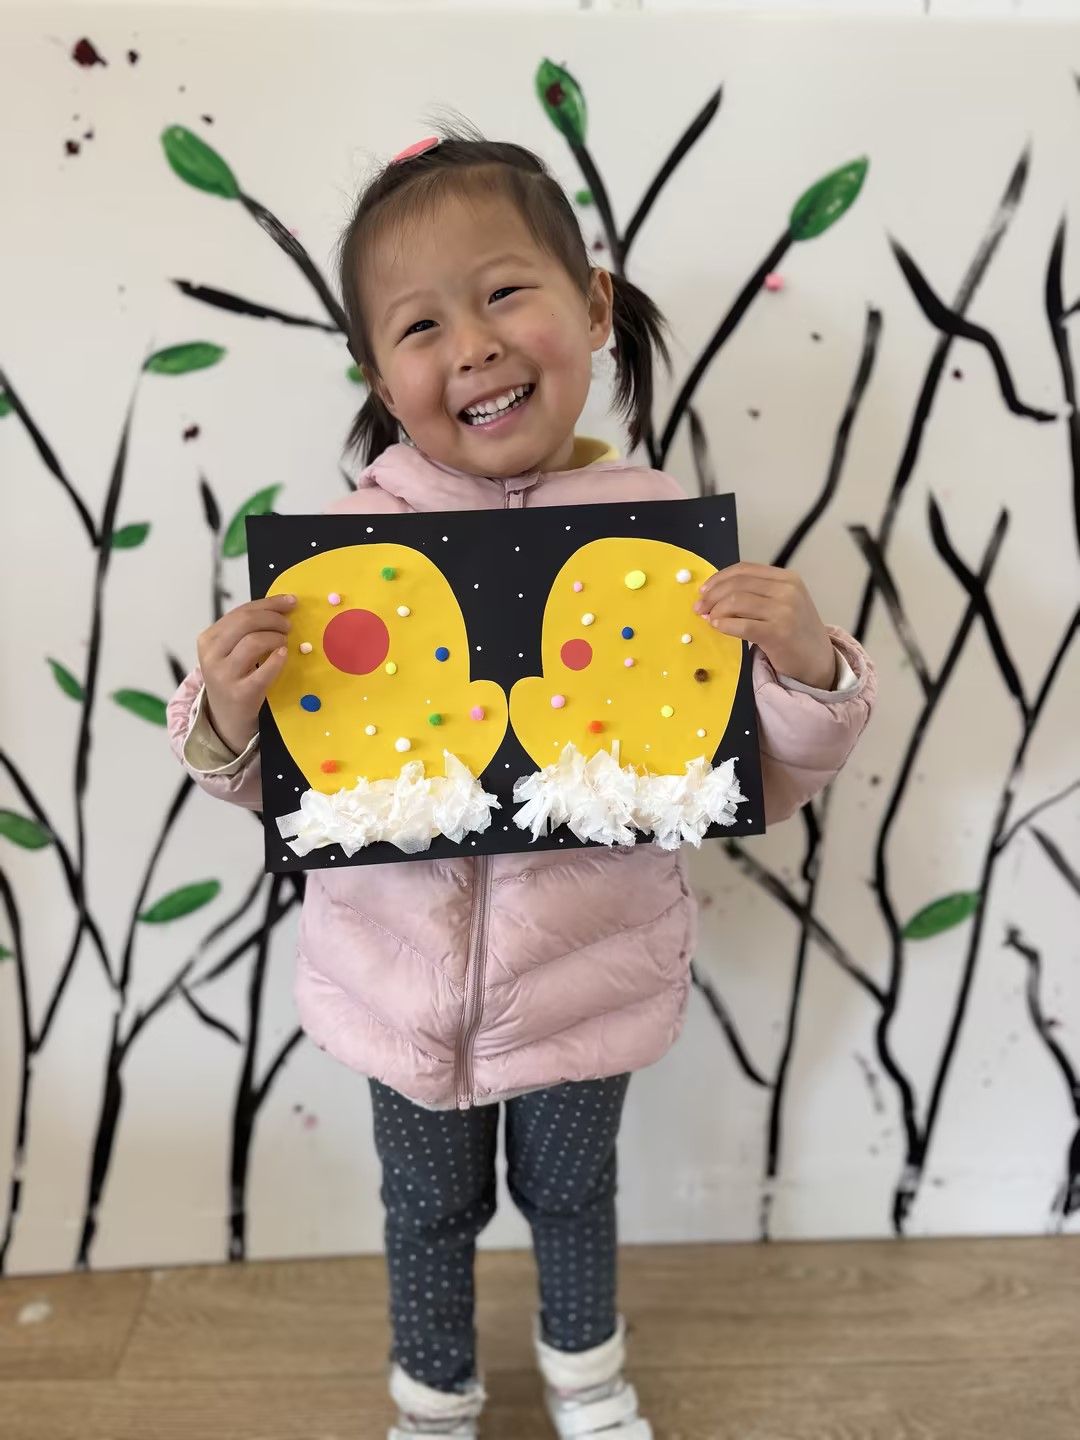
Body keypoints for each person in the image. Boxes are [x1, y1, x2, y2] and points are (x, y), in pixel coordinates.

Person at [167, 129, 877, 1440]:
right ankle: (434, 1398)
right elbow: (279, 787)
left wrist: (807, 667)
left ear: (593, 305)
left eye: (504, 292)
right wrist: (223, 712)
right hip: (392, 992)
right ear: (378, 372)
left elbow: (760, 780)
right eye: (421, 325)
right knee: (424, 1208)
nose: (475, 346)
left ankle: (588, 1383)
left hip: (589, 982)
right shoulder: (339, 565)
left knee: (575, 1196)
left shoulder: (665, 550)